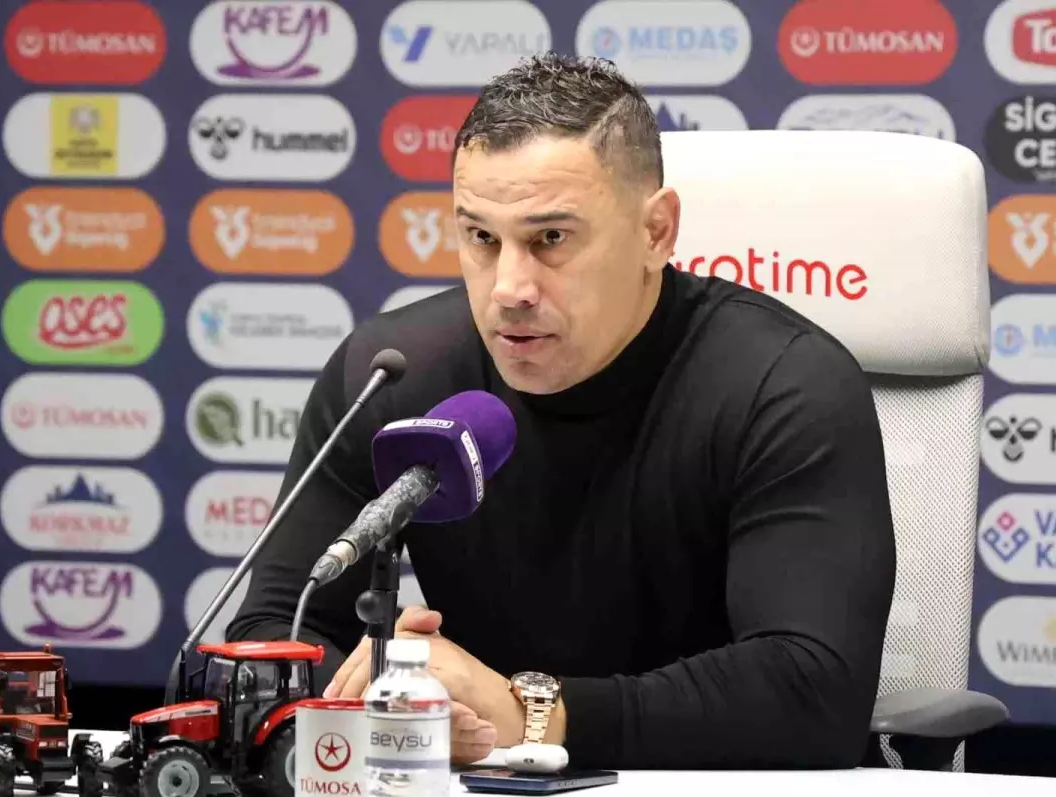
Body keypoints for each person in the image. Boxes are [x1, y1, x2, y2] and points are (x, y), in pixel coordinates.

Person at [225, 51, 896, 771]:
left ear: (656, 232)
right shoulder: (393, 378)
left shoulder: (784, 383)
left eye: (550, 239)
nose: (509, 288)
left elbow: (813, 693)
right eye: (481, 238)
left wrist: (530, 717)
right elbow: (271, 633)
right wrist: (397, 703)